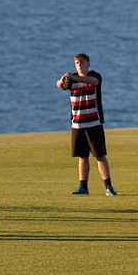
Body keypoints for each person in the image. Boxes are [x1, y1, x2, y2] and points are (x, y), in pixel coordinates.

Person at [56, 53, 117, 196]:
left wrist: (74, 77)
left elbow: (94, 81)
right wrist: (62, 80)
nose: (79, 65)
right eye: (77, 63)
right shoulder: (71, 81)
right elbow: (61, 85)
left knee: (100, 155)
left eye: (82, 63)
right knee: (82, 156)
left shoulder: (94, 76)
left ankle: (108, 187)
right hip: (77, 124)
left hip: (94, 123)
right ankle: (83, 187)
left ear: (88, 64)